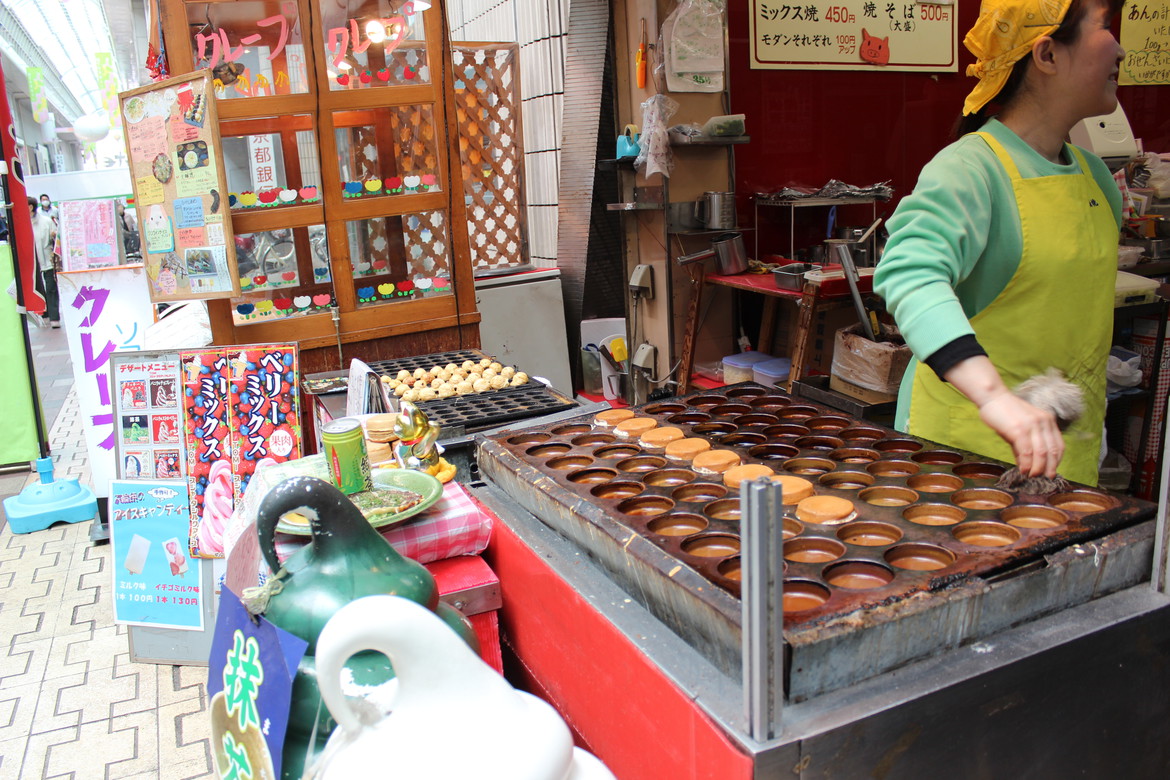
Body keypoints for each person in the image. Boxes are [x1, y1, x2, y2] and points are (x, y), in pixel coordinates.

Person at [873, 0, 1125, 487]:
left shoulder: (1097, 179)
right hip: (965, 463)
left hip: (1065, 455)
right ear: (1047, 54)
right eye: (1105, 28)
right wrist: (995, 398)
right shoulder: (970, 170)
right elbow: (908, 273)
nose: (1118, 48)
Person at [29, 196, 60, 327]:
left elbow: (56, 238)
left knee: (51, 288)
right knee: (38, 289)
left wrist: (54, 235)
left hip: (48, 260)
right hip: (32, 263)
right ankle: (44, 313)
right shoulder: (22, 223)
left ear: (30, 207)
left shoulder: (46, 221)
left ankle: (54, 318)